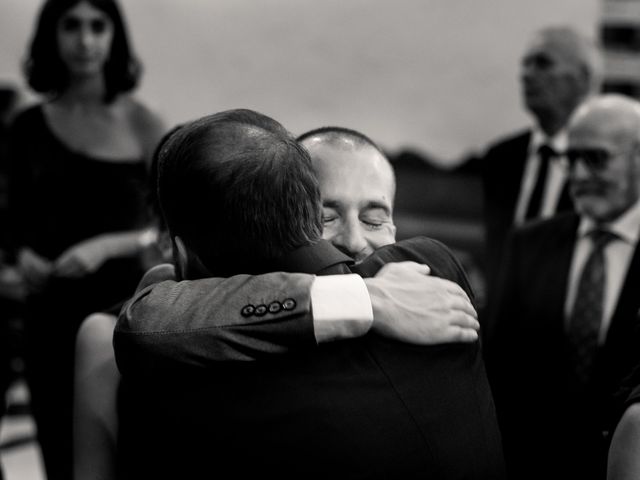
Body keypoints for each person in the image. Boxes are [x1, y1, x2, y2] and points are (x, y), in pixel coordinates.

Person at [115, 109, 505, 479]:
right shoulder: (430, 265)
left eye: (374, 218)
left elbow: (147, 324)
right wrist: (362, 297)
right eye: (327, 217)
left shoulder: (430, 274)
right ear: (296, 212)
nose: (354, 241)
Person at [6, 1, 166, 478]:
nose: (85, 40)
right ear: (50, 36)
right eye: (71, 25)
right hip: (48, 312)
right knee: (58, 449)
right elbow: (13, 217)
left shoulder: (143, 122)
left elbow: (171, 222)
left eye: (98, 26)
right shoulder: (26, 126)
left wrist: (109, 245)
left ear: (114, 36)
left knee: (124, 449)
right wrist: (23, 254)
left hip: (123, 310)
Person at [486, 93, 640, 480]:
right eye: (571, 159)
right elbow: (498, 365)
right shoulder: (530, 243)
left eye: (597, 158)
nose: (580, 175)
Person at [480, 25, 602, 323]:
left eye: (543, 63)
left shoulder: (605, 164)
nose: (526, 74)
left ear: (583, 80)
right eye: (526, 64)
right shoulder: (501, 157)